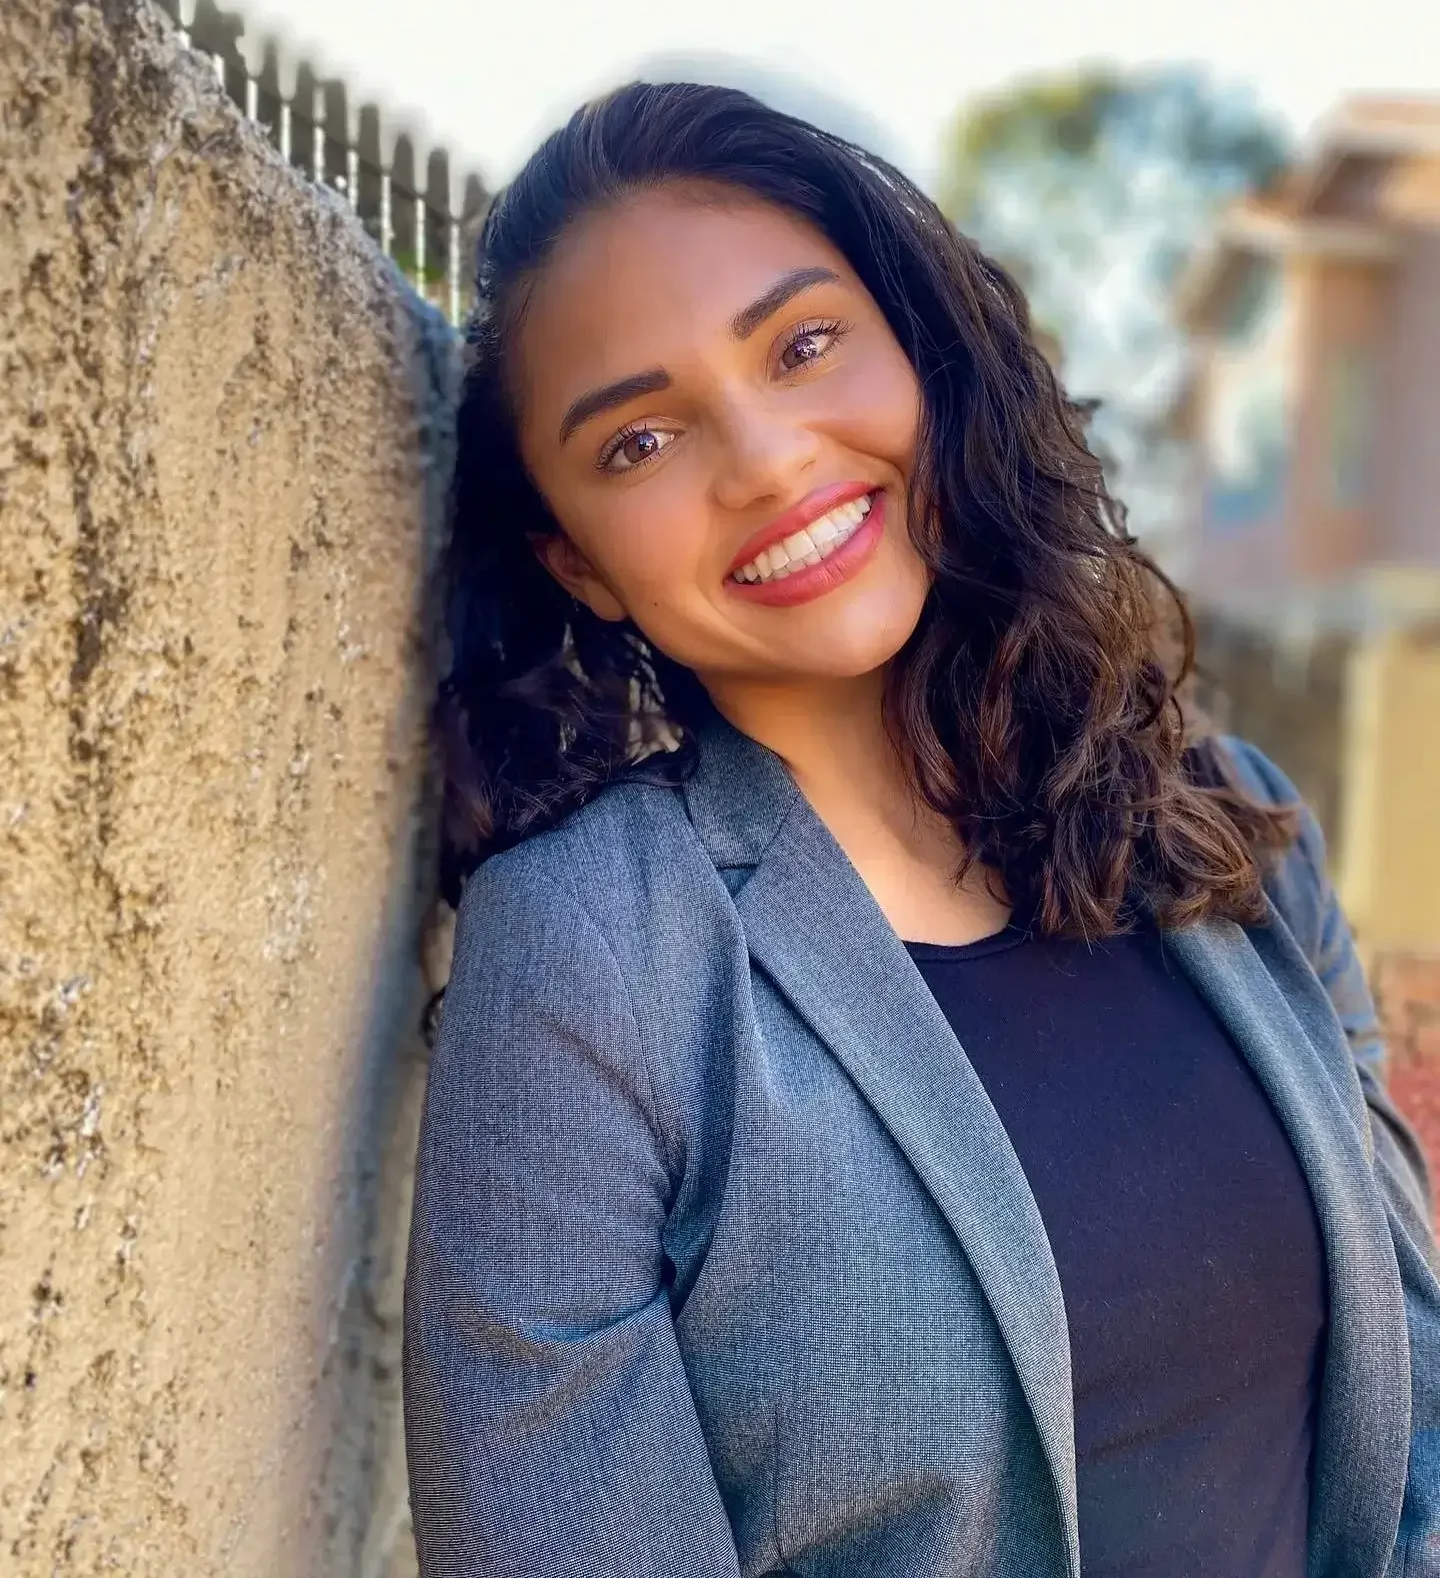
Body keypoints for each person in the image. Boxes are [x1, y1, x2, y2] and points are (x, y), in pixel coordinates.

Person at [401, 80, 1440, 1578]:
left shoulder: (1233, 828)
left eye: (803, 344)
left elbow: (1411, 1423)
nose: (763, 458)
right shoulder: (591, 955)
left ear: (922, 354)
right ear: (582, 565)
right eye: (638, 442)